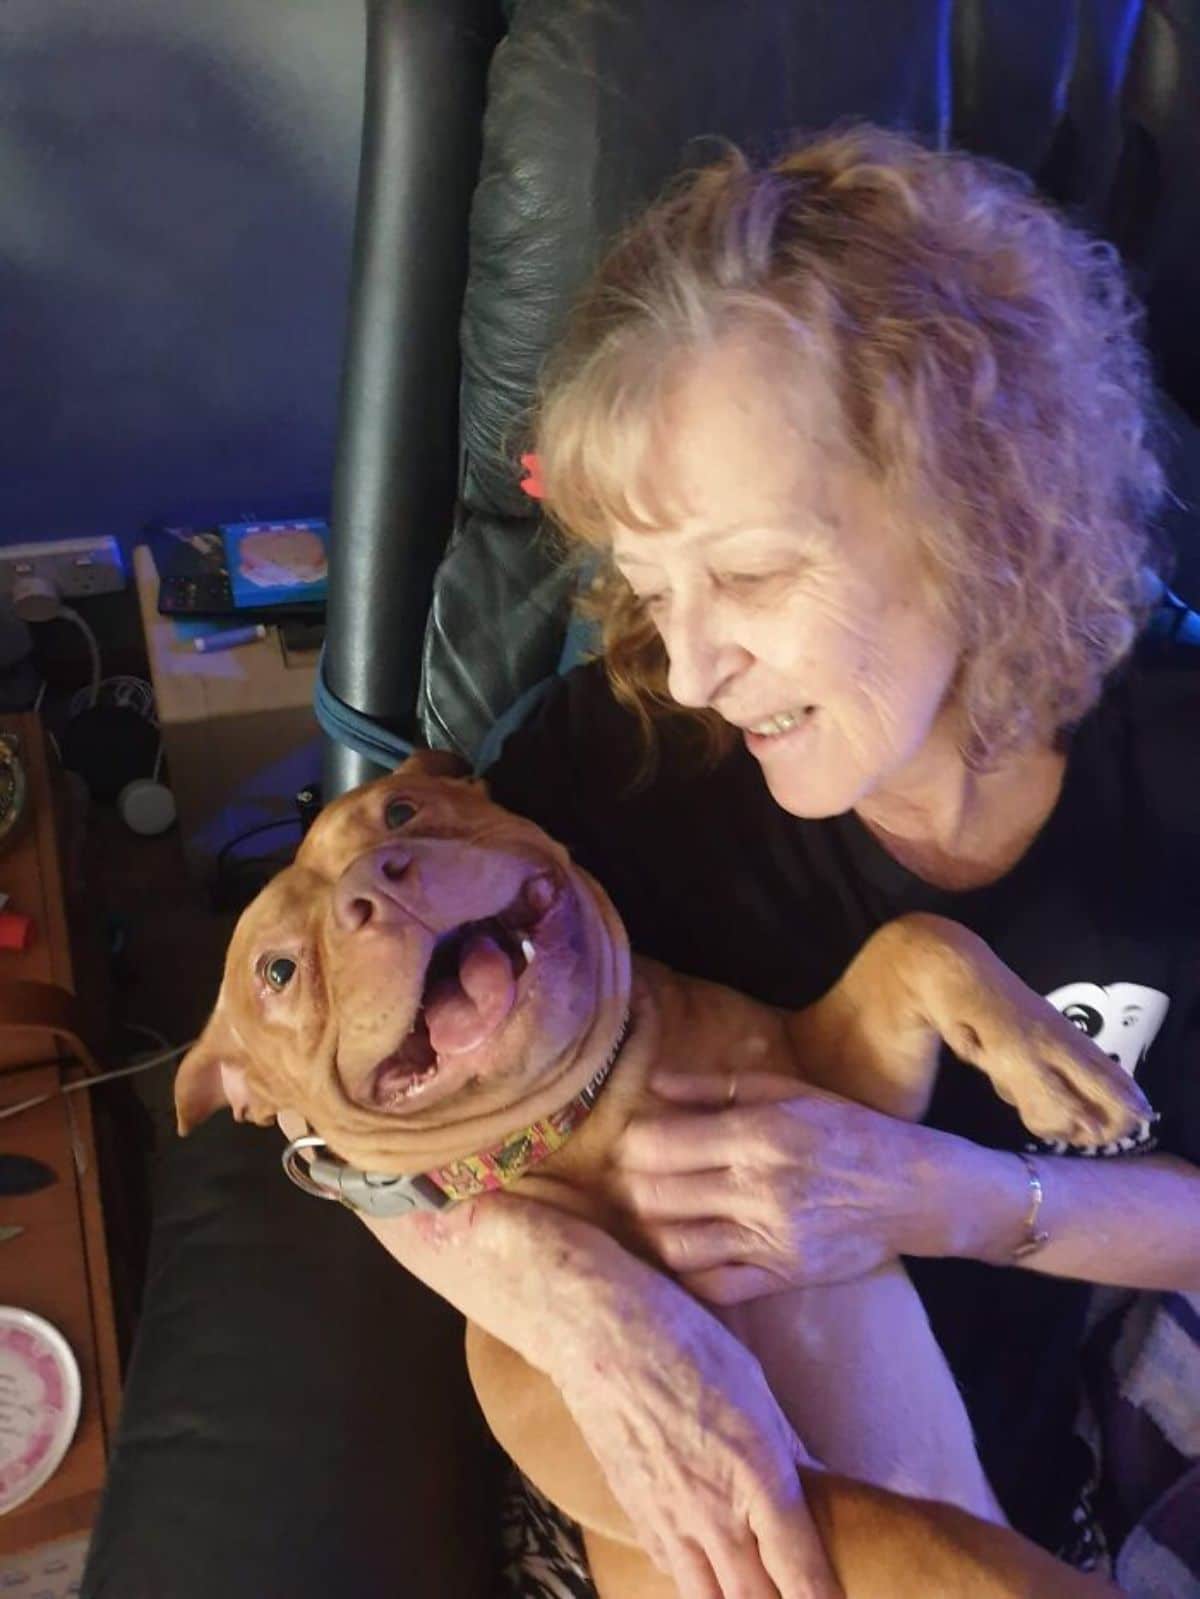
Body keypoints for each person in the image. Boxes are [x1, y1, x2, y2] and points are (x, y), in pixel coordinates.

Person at [358, 124, 1200, 1595]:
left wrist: (948, 1196)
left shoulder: (1174, 783)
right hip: (694, 1507)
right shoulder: (606, 768)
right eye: (645, 583)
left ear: (975, 509)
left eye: (748, 575)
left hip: (998, 1488)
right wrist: (561, 1295)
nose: (689, 666)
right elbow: (313, 1087)